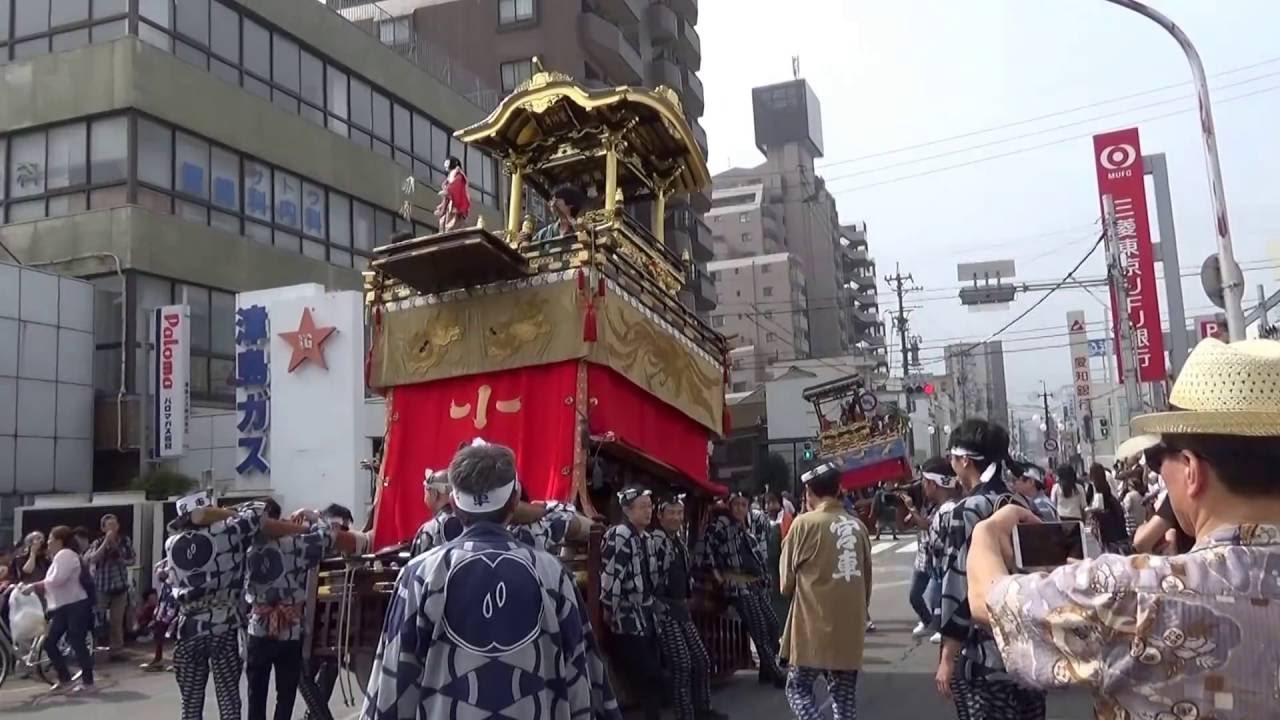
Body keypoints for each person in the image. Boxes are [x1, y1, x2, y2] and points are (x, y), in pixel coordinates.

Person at [968, 337, 1280, 719]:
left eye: (1160, 456)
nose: (1157, 470)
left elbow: (989, 598)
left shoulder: (1129, 593)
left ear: (1191, 470)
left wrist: (987, 530)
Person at [361, 439, 621, 720]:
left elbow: (393, 681)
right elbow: (581, 677)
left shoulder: (420, 573)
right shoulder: (552, 574)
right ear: (514, 502)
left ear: (453, 503)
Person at [166, 491, 322, 720]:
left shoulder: (171, 544)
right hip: (222, 627)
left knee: (190, 705)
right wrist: (226, 511)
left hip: (187, 627)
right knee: (229, 701)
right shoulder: (225, 533)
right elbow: (258, 510)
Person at [936, 418, 1046, 720]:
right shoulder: (1023, 503)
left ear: (964, 461)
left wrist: (948, 656)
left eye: (952, 458)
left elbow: (958, 587)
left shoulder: (966, 511)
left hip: (985, 656)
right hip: (1031, 653)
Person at [244, 500, 360, 720]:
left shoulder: (246, 547)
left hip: (258, 628)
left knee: (256, 693)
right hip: (290, 628)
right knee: (285, 695)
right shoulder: (296, 545)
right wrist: (312, 516)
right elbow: (328, 535)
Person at [779, 462, 873, 720]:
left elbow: (785, 584)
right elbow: (866, 585)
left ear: (809, 491)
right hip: (849, 631)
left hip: (812, 629)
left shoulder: (803, 524)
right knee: (844, 703)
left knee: (797, 688)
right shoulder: (858, 527)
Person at [650, 495, 726, 720]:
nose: (676, 517)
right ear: (660, 516)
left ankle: (703, 709)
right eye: (671, 513)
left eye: (679, 513)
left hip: (681, 608)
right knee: (682, 665)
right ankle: (686, 714)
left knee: (701, 659)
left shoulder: (679, 542)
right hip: (663, 610)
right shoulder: (655, 541)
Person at [700, 492, 785, 687]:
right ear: (729, 506)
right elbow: (707, 549)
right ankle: (774, 673)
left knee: (772, 624)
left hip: (754, 582)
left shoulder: (746, 524)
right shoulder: (720, 524)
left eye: (743, 504)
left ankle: (766, 669)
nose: (739, 508)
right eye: (736, 504)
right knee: (759, 628)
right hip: (736, 584)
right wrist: (718, 576)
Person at [601, 487, 663, 720]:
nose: (649, 511)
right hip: (627, 613)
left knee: (651, 671)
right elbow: (612, 575)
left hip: (647, 612)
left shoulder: (646, 538)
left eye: (650, 506)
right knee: (644, 672)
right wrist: (609, 607)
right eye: (643, 506)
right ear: (627, 510)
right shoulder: (620, 535)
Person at [20, 525, 95, 693]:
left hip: (75, 605)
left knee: (76, 642)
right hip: (63, 606)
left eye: (51, 539)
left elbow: (57, 580)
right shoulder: (59, 555)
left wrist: (34, 586)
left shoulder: (66, 555)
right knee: (49, 642)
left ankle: (88, 682)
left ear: (60, 540)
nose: (48, 542)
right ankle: (65, 679)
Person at [901, 458, 961, 640]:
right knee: (918, 597)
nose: (923, 487)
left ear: (934, 484)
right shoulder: (931, 505)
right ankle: (933, 625)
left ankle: (941, 628)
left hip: (945, 567)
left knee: (937, 599)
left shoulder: (951, 508)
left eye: (926, 483)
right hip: (927, 560)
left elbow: (928, 526)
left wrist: (912, 508)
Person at [85, 512, 135, 659]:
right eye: (109, 525)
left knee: (116, 621)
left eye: (115, 524)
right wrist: (106, 543)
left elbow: (131, 559)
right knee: (97, 619)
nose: (113, 528)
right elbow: (92, 559)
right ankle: (92, 648)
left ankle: (116, 651)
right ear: (103, 528)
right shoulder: (97, 542)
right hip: (102, 586)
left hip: (120, 586)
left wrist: (117, 551)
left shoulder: (125, 541)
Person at [409, 467, 460, 556]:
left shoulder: (431, 529)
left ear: (435, 494)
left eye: (426, 490)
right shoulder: (471, 521)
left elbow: (419, 566)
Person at [1086, 462, 1128, 553]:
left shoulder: (1092, 486)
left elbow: (1088, 502)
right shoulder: (1106, 483)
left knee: (1105, 547)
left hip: (1101, 520)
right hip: (1112, 514)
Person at [433, 155, 471, 231]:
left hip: (455, 205)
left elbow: (455, 186)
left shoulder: (459, 175)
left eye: (447, 163)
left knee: (452, 225)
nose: (446, 166)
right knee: (444, 222)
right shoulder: (451, 176)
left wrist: (447, 191)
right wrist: (441, 208)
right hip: (449, 204)